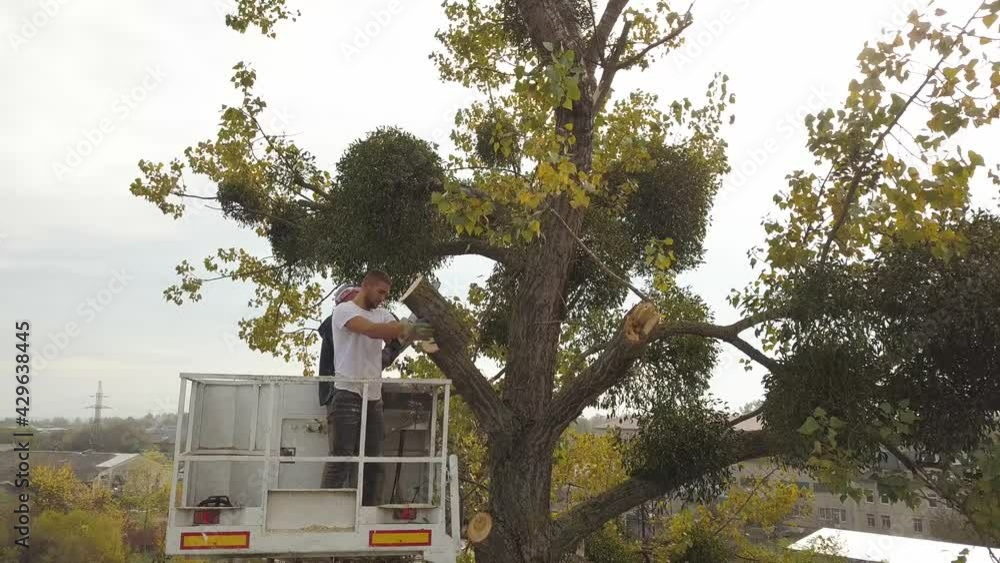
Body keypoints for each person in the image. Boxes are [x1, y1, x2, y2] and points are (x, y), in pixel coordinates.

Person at [320, 271, 433, 505]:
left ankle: (368, 512)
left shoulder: (382, 314)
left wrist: (408, 330)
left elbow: (393, 330)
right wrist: (410, 329)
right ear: (366, 286)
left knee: (374, 461)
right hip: (347, 393)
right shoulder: (343, 311)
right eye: (380, 292)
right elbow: (372, 330)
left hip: (373, 397)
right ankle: (326, 510)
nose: (383, 298)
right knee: (342, 458)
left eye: (386, 294)